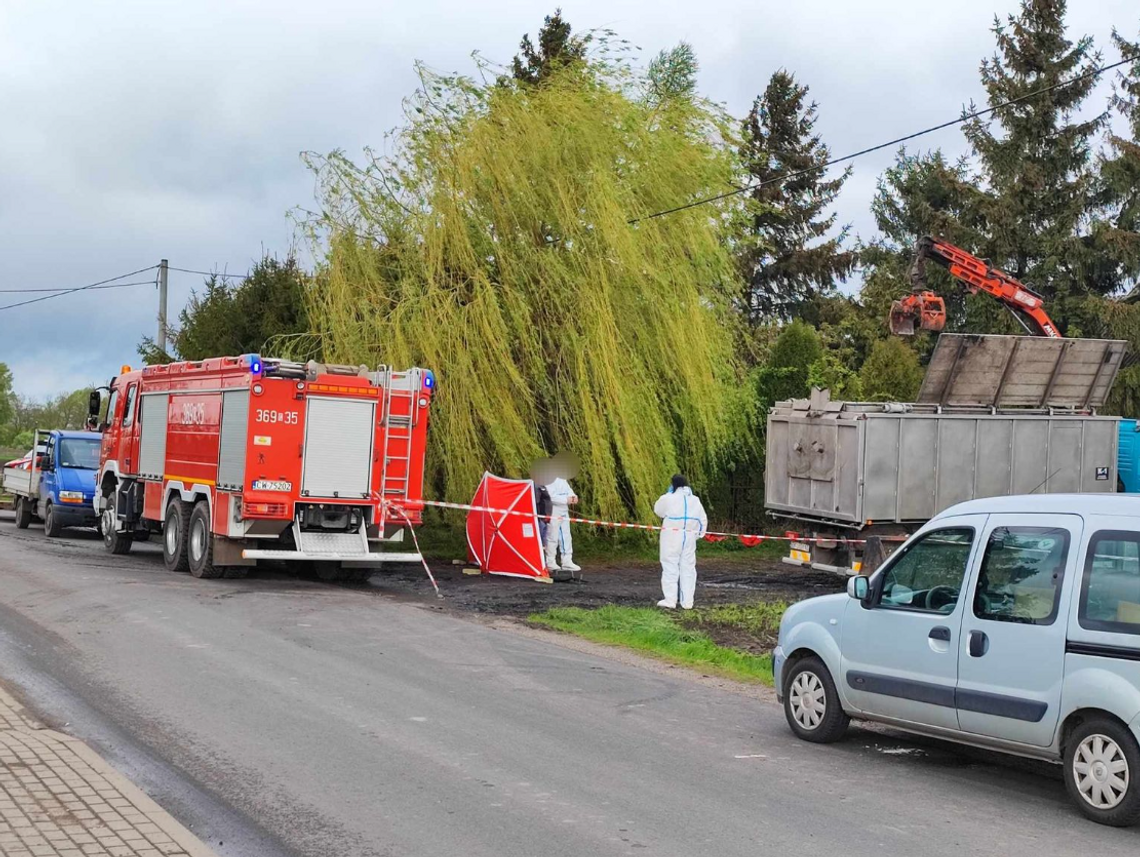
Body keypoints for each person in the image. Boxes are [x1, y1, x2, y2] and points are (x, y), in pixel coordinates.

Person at [653, 474, 707, 610]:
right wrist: (698, 535)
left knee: (670, 566)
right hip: (688, 537)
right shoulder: (695, 500)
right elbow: (702, 520)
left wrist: (667, 495)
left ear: (673, 485)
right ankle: (687, 602)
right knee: (688, 568)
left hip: (671, 536)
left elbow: (658, 510)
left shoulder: (668, 498)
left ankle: (670, 600)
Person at [544, 460, 580, 574]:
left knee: (566, 536)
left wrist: (573, 497)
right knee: (552, 537)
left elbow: (569, 491)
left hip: (564, 510)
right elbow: (551, 497)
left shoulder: (562, 479)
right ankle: (550, 562)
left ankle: (567, 561)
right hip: (554, 510)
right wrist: (566, 499)